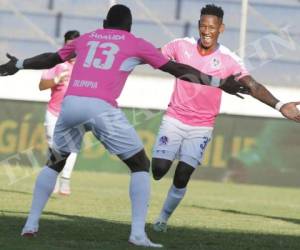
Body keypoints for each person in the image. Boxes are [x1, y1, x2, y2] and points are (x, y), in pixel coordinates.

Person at [0, 4, 244, 248]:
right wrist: (218, 82)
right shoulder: (134, 42)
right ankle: (138, 234)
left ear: (105, 23)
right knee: (140, 165)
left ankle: (30, 224)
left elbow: (51, 58)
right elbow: (177, 69)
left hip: (71, 103)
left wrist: (18, 64)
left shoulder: (86, 38)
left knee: (55, 161)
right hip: (101, 107)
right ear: (129, 27)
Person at [151, 4, 300, 233]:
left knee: (182, 175)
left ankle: (162, 219)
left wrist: (280, 106)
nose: (206, 31)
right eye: (203, 26)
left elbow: (252, 85)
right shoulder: (181, 45)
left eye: (211, 27)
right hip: (174, 118)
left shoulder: (229, 59)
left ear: (221, 28)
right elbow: (152, 55)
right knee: (159, 170)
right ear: (199, 26)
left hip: (201, 126)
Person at [40, 30, 80, 195]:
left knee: (72, 147)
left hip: (73, 114)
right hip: (54, 113)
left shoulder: (85, 66)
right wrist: (56, 80)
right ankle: (54, 180)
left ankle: (65, 180)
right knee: (54, 148)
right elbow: (41, 85)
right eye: (68, 46)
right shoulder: (57, 63)